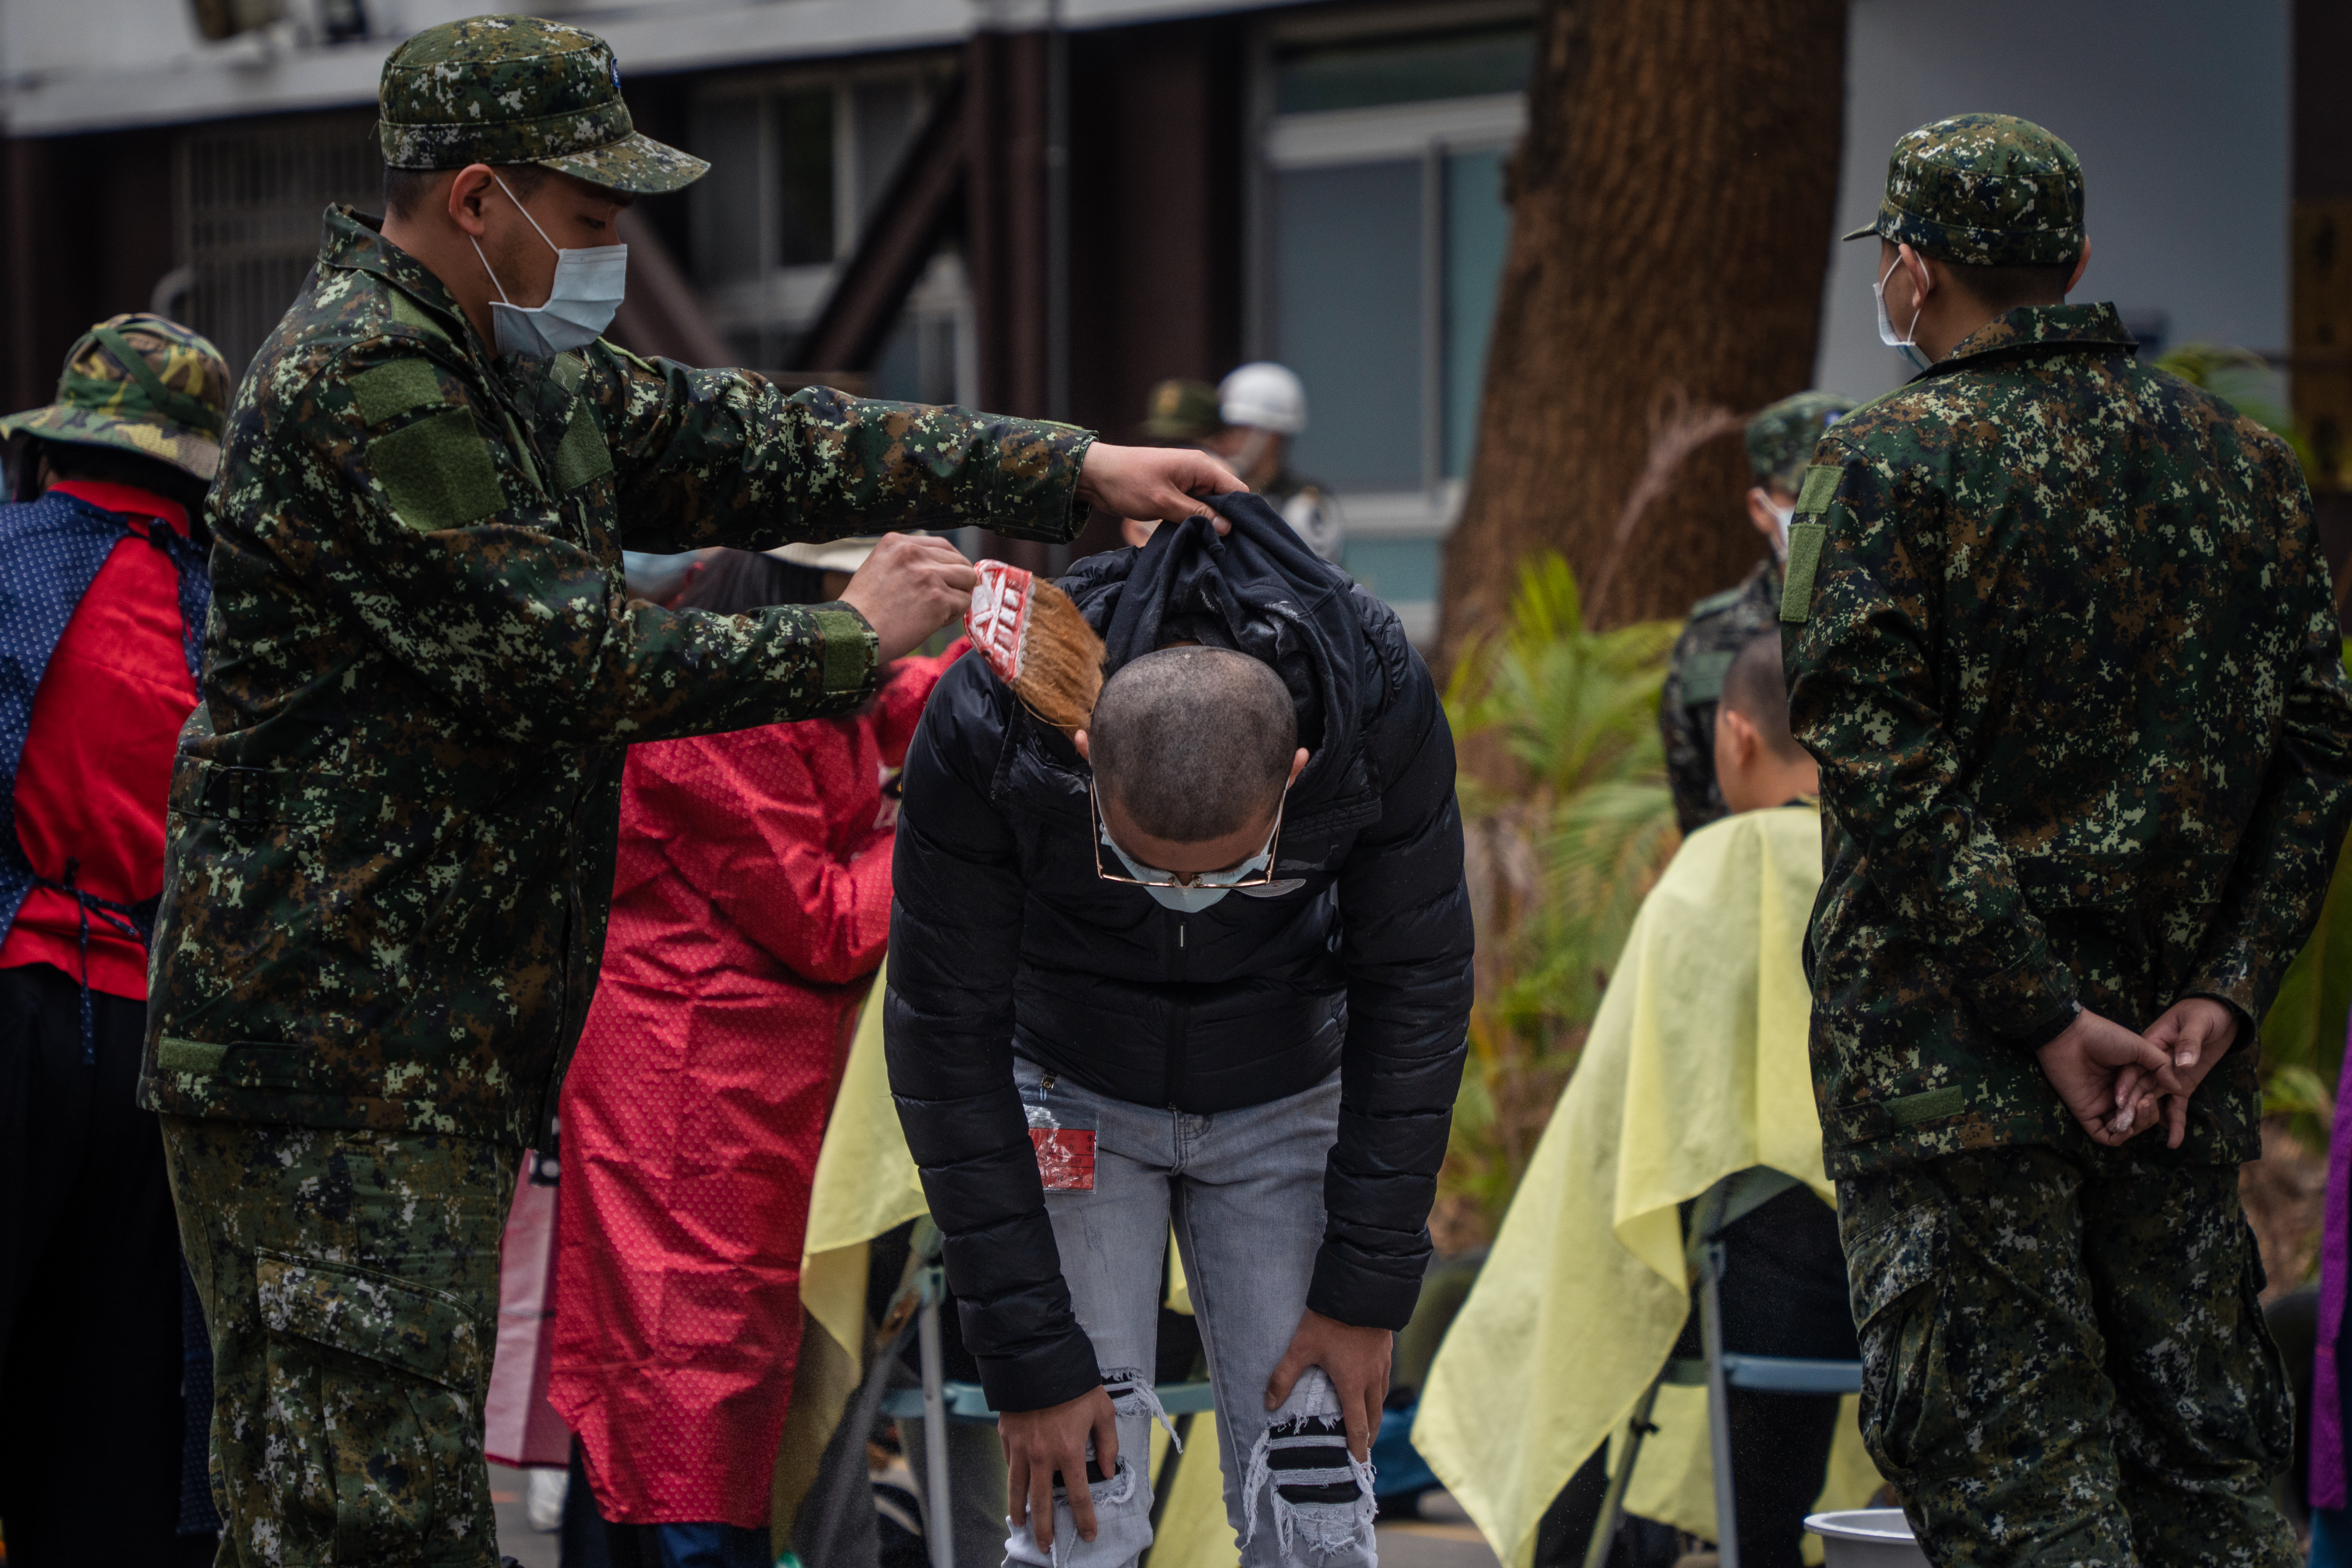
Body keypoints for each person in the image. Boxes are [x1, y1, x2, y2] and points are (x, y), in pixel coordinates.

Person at [137, 17, 1238, 1565]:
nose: (606, 251)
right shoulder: (366, 383)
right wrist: (848, 652)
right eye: (587, 220)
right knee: (356, 1512)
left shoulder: (523, 378)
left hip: (423, 1044)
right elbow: (563, 660)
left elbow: (775, 440)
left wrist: (1070, 470)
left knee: (379, 1493)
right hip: (331, 1051)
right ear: (475, 198)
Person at [1786, 112, 2352, 1565]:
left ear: (1909, 271)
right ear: (2073, 262)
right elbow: (2317, 746)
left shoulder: (1881, 467)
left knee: (2018, 1503)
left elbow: (1880, 771)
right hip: (2168, 1082)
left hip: (1951, 1083)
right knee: (2208, 1490)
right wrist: (2221, 993)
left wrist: (2039, 1014)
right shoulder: (2240, 468)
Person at [886, 493, 1473, 1567]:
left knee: (1315, 1519)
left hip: (1288, 1090)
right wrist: (1030, 1357)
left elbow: (1419, 988)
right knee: (1077, 1511)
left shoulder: (1371, 704)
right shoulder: (991, 717)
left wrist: (1360, 1288)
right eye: (1138, 863)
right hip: (1067, 1084)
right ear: (1082, 761)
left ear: (1293, 780)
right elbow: (943, 1036)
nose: (1178, 895)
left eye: (1234, 872)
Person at [552, 541, 963, 1568]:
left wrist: (989, 655)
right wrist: (932, 827)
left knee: (721, 1375)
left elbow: (897, 694)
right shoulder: (718, 710)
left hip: (750, 1077)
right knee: (682, 1373)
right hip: (684, 1084)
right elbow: (821, 916)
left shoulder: (789, 663)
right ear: (829, 591)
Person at [1415, 633, 1867, 1568]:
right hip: (1880, 1280)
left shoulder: (1709, 873)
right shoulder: (1882, 863)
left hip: (1748, 1285)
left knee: (1588, 1299)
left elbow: (1615, 1122)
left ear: (1736, 736)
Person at [0, 315, 229, 1568]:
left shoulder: (8, 561)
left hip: (16, 995)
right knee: (112, 1419)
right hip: (155, 1044)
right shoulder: (232, 616)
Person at [1659, 391, 1853, 834]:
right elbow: (1693, 801)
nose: (1820, 509)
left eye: (1839, 489)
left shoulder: (1906, 619)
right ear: (1760, 508)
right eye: (1802, 492)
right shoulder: (1709, 638)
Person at [1207, 363, 1341, 562]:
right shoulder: (1218, 494)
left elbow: (1313, 585)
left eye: (1238, 428)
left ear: (1271, 437)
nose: (1224, 439)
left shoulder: (1304, 505)